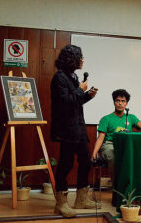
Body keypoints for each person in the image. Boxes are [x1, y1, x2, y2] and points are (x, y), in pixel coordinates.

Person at [51, 44, 99, 218]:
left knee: (86, 161)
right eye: (81, 57)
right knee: (66, 164)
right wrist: (80, 90)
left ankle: (81, 199)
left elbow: (75, 101)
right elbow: (65, 103)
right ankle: (61, 203)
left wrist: (87, 95)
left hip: (78, 126)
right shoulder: (59, 78)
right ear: (72, 59)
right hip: (67, 129)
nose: (83, 60)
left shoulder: (72, 76)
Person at [91, 89, 141, 185]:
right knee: (113, 156)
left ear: (126, 104)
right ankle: (117, 188)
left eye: (123, 101)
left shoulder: (130, 117)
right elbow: (100, 138)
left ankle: (136, 187)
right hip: (109, 145)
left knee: (140, 156)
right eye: (117, 101)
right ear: (114, 102)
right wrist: (94, 153)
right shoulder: (106, 119)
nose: (120, 103)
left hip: (126, 145)